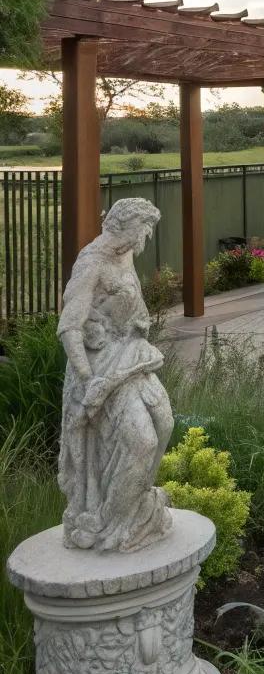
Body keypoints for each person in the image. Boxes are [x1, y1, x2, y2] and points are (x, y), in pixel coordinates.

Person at [57, 197, 174, 552]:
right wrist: (87, 376)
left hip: (134, 354)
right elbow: (69, 328)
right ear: (124, 225)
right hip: (102, 364)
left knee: (166, 423)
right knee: (142, 441)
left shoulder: (125, 252)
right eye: (145, 227)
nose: (148, 236)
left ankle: (136, 502)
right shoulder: (92, 263)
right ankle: (113, 520)